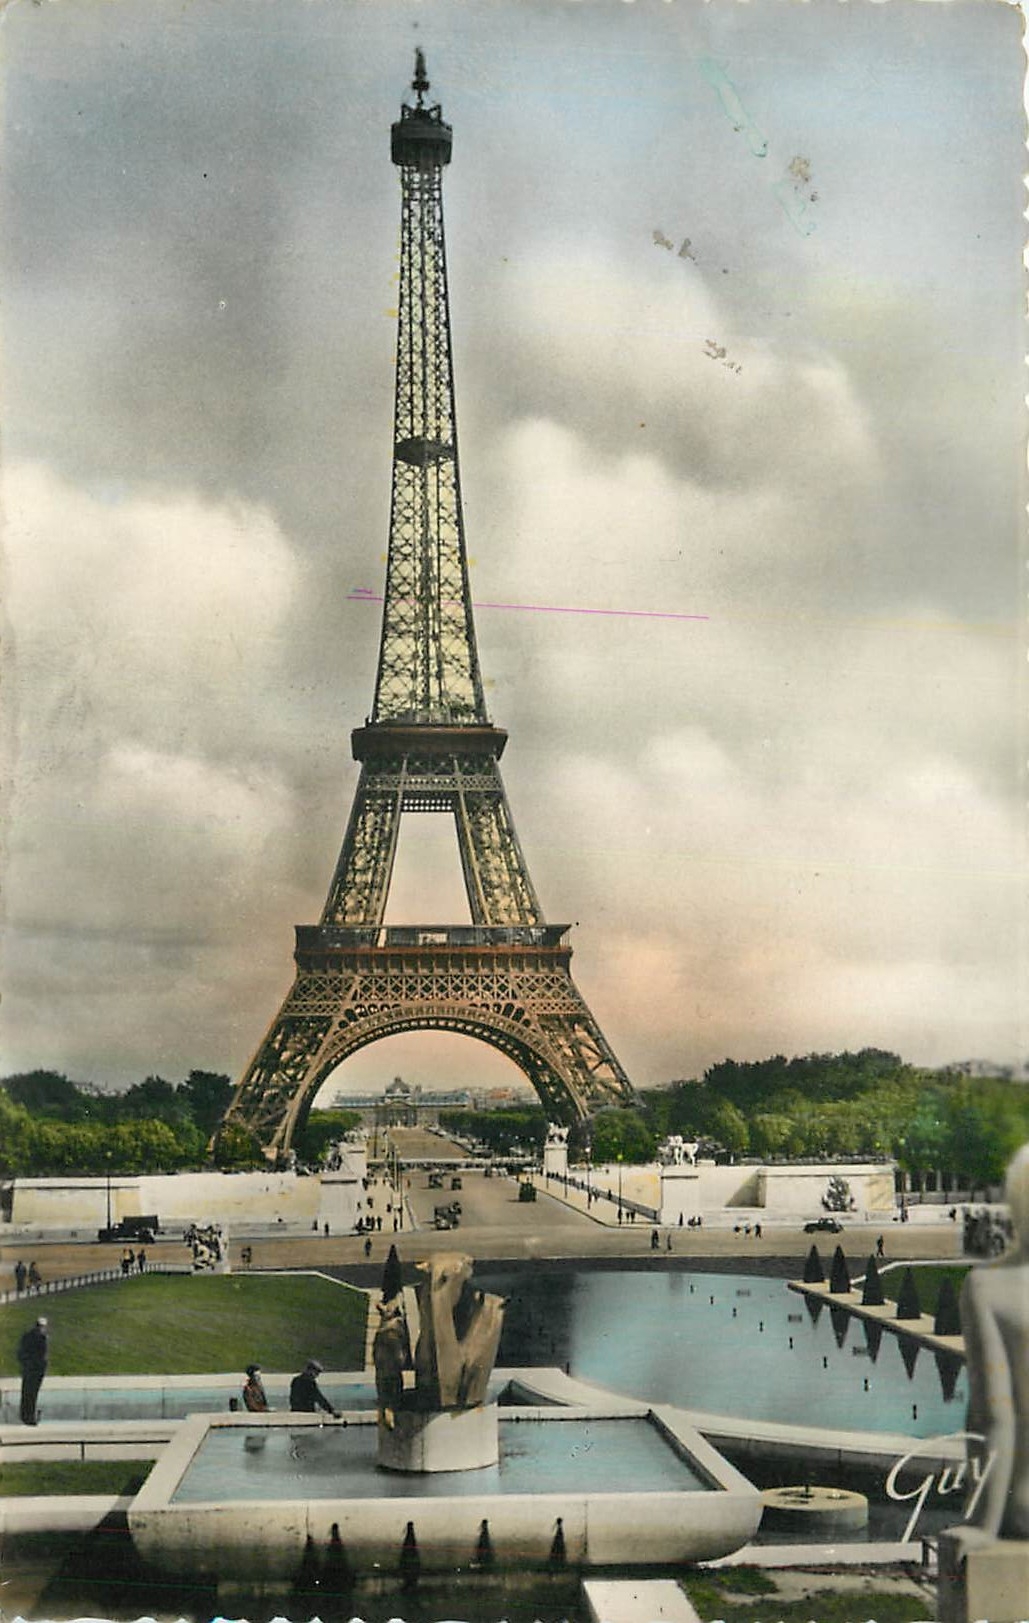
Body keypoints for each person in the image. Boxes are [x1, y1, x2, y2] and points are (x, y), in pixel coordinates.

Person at [18, 1316, 49, 1425]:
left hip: (28, 1369)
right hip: (36, 1370)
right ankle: (29, 1417)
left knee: (26, 1393)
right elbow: (42, 1355)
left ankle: (24, 1415)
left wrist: (25, 1364)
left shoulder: (26, 1336)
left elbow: (20, 1353)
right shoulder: (42, 1338)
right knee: (32, 1394)